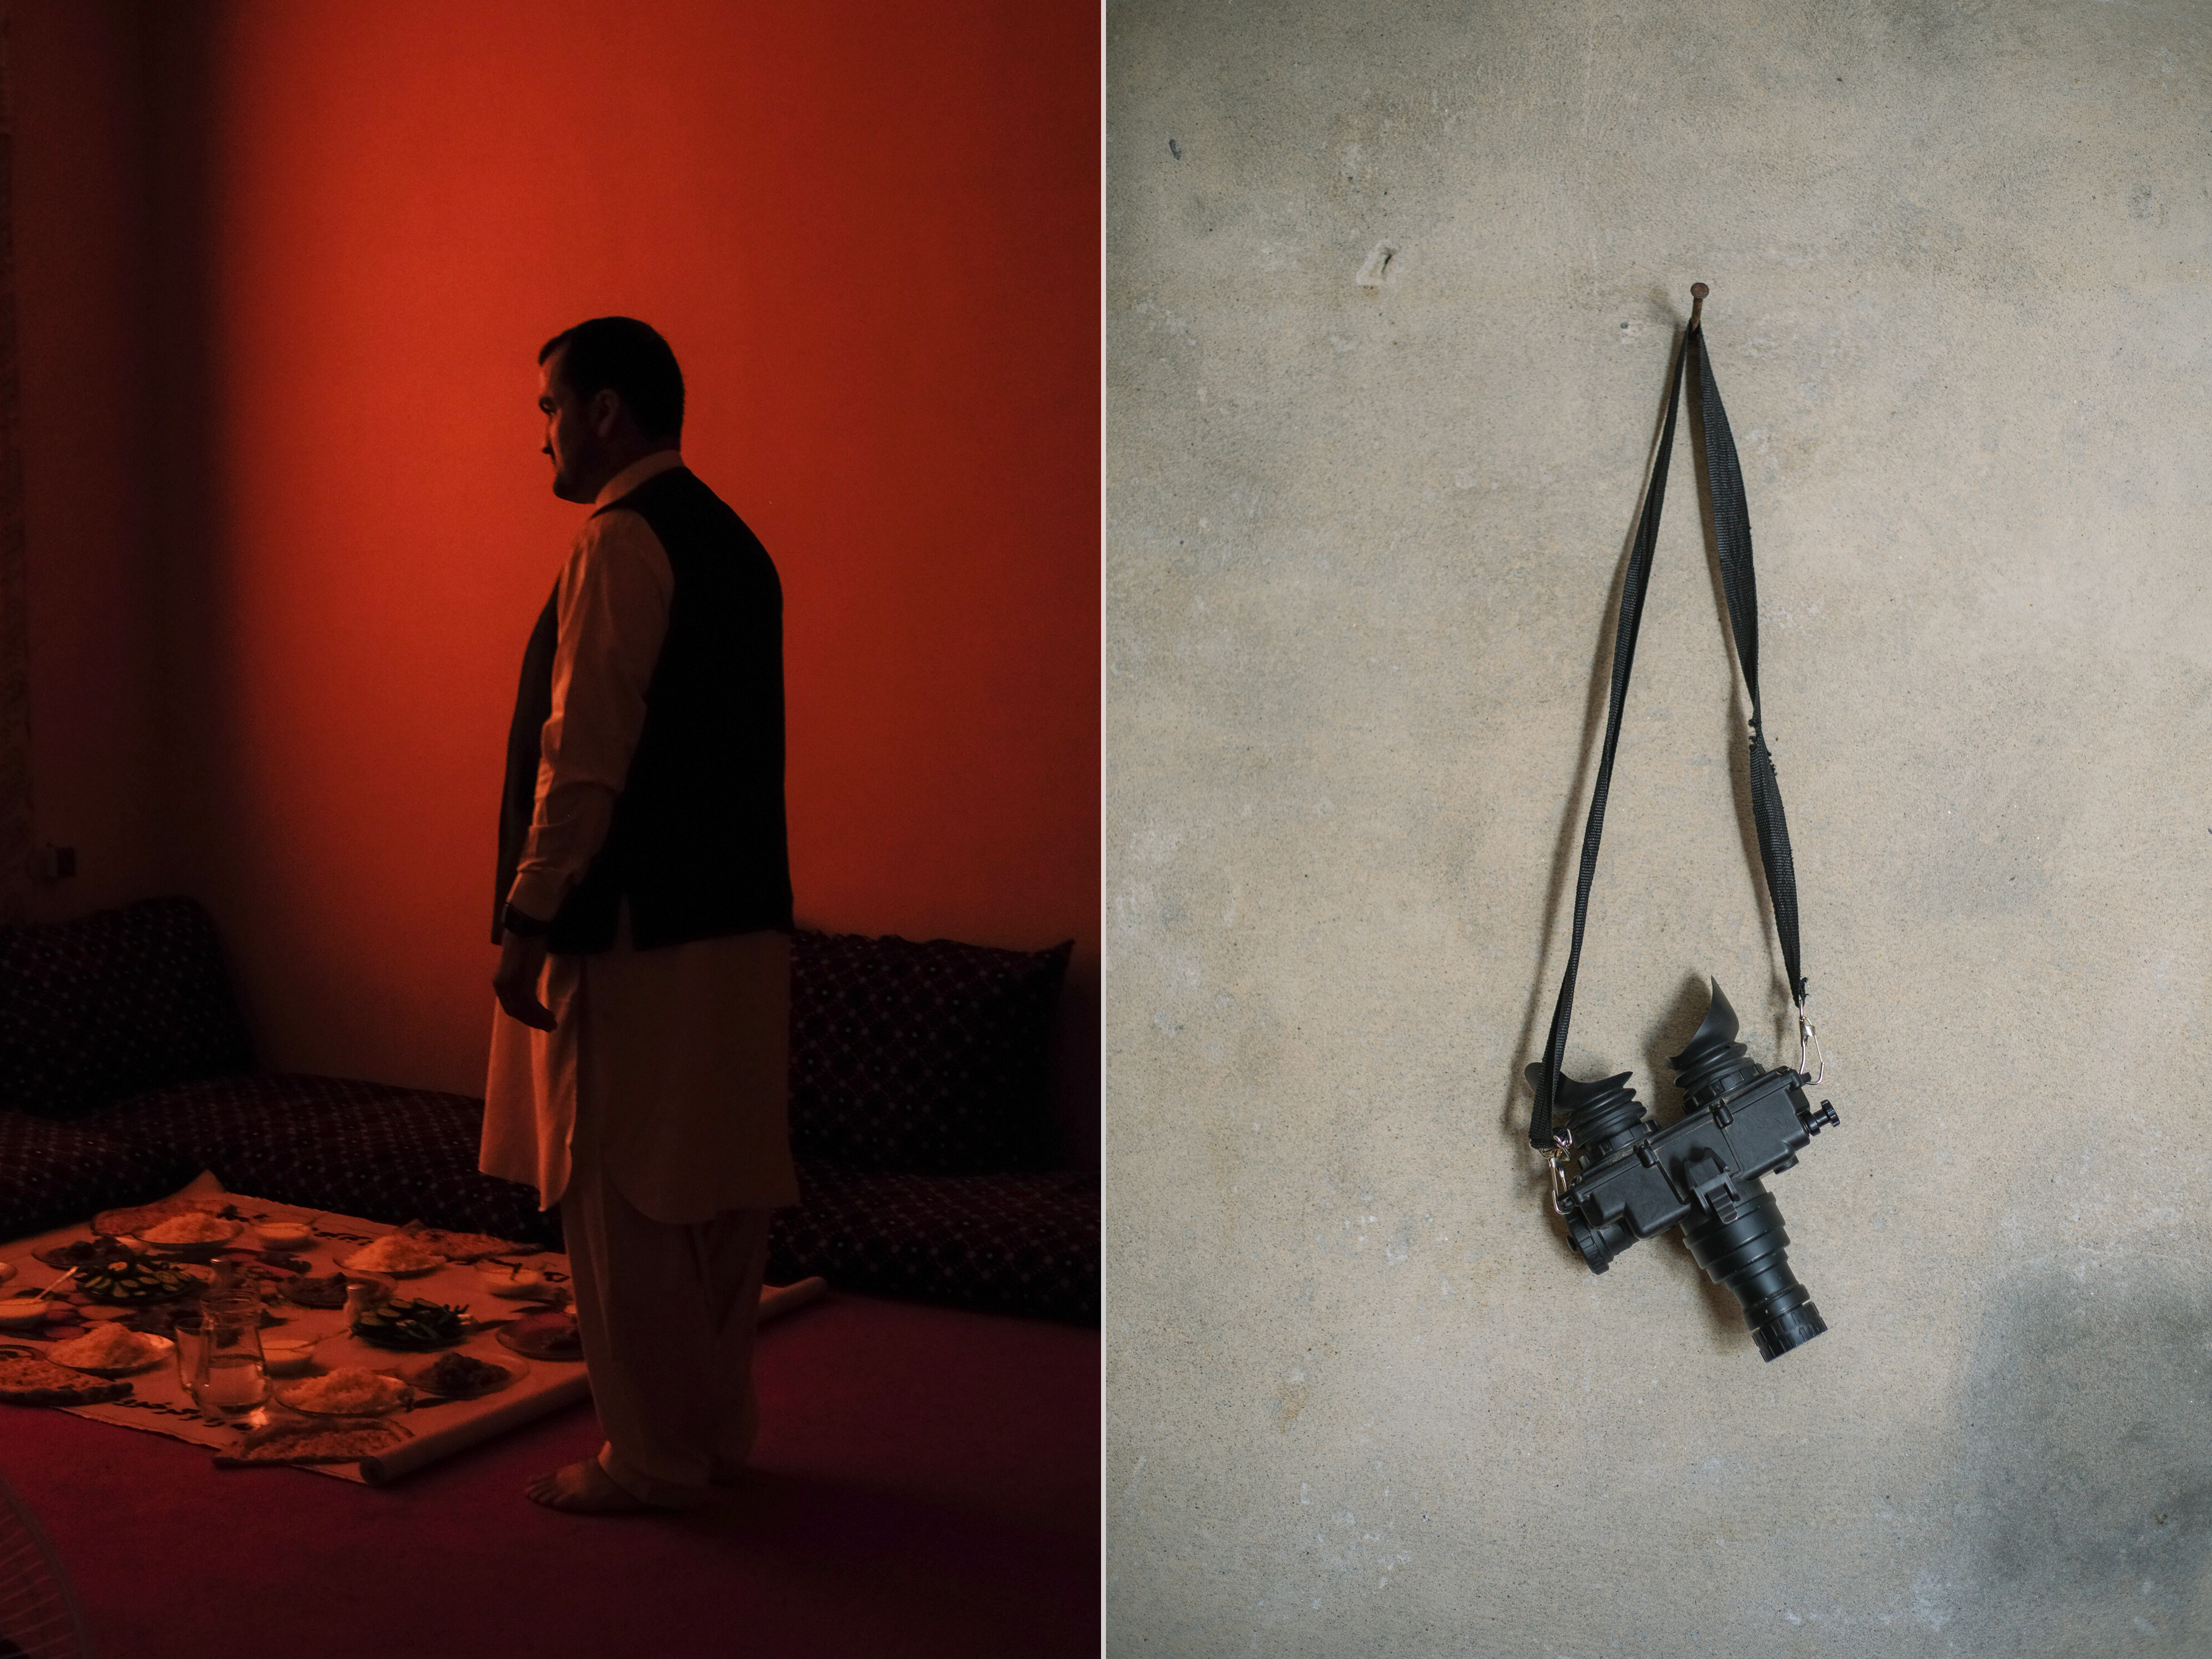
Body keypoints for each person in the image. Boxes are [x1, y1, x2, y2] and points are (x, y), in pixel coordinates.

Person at [479, 316, 797, 1515]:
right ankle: (712, 1434)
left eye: (550, 408)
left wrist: (528, 917)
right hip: (739, 919)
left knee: (620, 1195)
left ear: (606, 409)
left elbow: (584, 760)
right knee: (717, 1189)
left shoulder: (618, 541)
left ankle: (649, 1457)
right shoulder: (736, 543)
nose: (544, 437)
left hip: (630, 927)